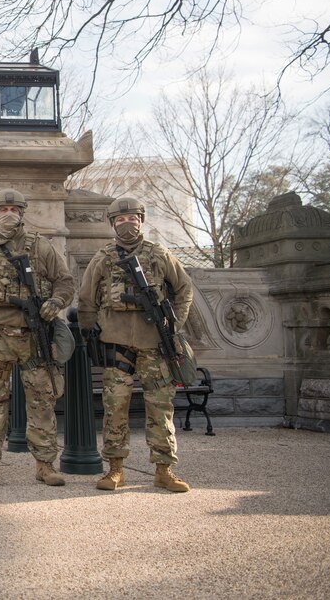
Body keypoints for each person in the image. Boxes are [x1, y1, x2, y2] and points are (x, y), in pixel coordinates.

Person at [77, 195, 194, 492]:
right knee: (115, 406)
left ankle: (164, 470)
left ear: (141, 221)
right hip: (117, 343)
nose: (126, 224)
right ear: (112, 223)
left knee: (160, 407)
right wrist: (89, 333)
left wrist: (174, 325)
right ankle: (115, 469)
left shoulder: (159, 254)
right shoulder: (103, 257)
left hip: (155, 343)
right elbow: (87, 299)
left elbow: (183, 289)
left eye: (132, 219)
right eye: (120, 220)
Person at [0, 189, 75, 488]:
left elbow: (64, 282)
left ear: (22, 212)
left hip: (34, 336)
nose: (8, 213)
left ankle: (45, 464)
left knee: (42, 402)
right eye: (2, 209)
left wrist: (56, 302)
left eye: (14, 208)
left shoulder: (41, 247)